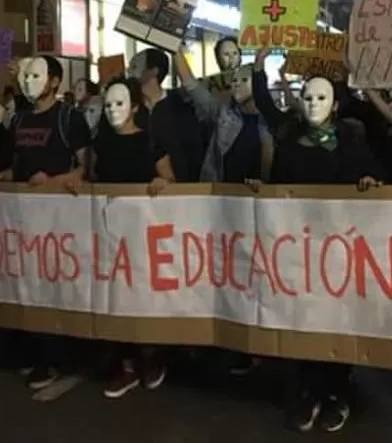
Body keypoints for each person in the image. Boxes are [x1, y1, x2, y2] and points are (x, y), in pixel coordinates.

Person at [253, 49, 381, 433]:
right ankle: (307, 391)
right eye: (307, 97)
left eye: (321, 97)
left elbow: (374, 175)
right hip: (300, 253)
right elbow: (277, 191)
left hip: (340, 252)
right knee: (303, 321)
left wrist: (370, 183)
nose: (313, 104)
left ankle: (336, 392)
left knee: (337, 323)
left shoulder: (351, 144)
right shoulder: (289, 145)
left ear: (336, 105)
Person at [0, 55, 91, 392]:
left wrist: (55, 180)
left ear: (55, 81)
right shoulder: (19, 120)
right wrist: (3, 175)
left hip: (59, 218)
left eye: (37, 75)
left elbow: (86, 170)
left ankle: (55, 356)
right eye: (26, 76)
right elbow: (21, 167)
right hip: (24, 216)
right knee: (26, 282)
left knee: (53, 285)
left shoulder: (69, 118)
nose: (30, 81)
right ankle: (32, 349)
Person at [64, 78, 173, 398]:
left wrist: (161, 183)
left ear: (135, 107)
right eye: (108, 105)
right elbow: (89, 175)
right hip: (109, 234)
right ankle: (124, 366)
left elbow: (170, 179)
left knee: (143, 296)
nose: (112, 110)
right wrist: (76, 181)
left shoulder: (152, 142)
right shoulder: (101, 143)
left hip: (142, 235)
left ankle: (151, 357)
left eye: (119, 104)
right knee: (114, 298)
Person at [173, 49, 273, 183]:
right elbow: (191, 85)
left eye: (244, 79)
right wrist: (175, 49)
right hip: (220, 194)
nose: (237, 84)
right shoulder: (223, 113)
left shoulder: (271, 122)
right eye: (234, 80)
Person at [128, 49, 203, 182]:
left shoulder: (179, 106)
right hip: (137, 190)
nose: (129, 71)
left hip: (176, 191)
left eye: (134, 66)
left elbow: (192, 152)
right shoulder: (130, 108)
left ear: (153, 71)